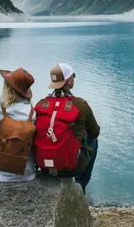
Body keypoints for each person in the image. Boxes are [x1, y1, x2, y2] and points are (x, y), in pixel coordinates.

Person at [37, 63, 100, 194]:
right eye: (73, 76)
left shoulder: (41, 104)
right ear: (68, 80)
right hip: (71, 169)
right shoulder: (80, 104)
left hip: (44, 166)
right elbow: (95, 132)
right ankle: (80, 185)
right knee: (93, 140)